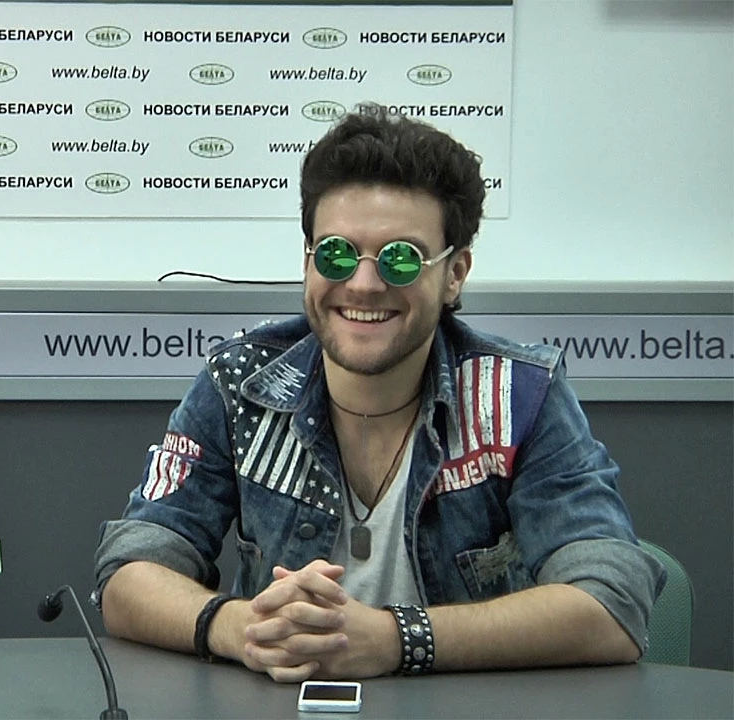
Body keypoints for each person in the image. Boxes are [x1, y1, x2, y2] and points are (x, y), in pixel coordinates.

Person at [94, 106, 663, 681]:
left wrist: (398, 640)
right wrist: (242, 629)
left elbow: (612, 602)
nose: (364, 284)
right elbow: (128, 572)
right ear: (308, 261)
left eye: (401, 259)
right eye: (337, 253)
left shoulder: (518, 397)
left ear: (455, 274)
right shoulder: (239, 384)